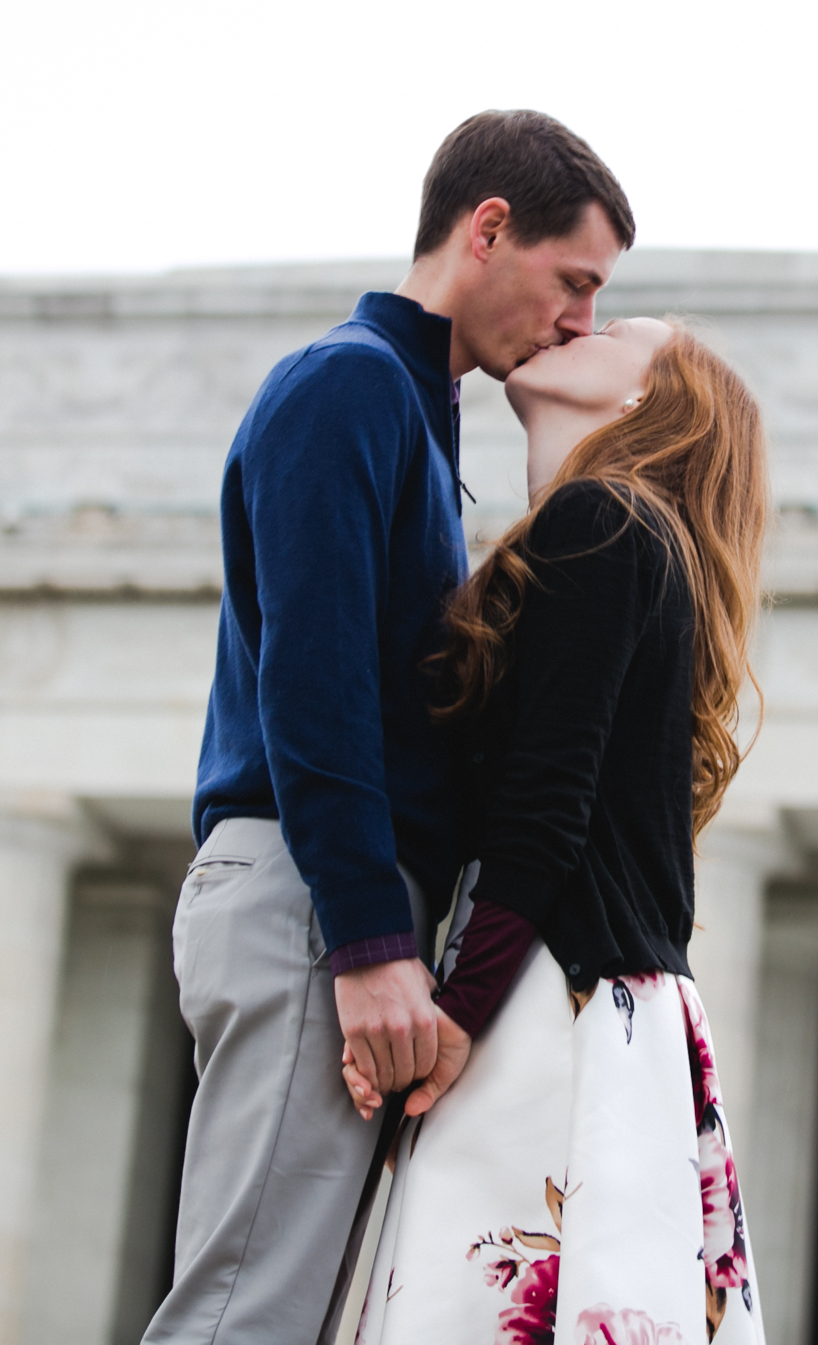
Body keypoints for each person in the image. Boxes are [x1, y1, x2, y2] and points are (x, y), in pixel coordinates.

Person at [145, 111, 635, 1345]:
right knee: (246, 1308)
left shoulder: (416, 413)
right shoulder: (349, 384)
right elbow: (311, 687)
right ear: (486, 231)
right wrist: (369, 944)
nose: (579, 318)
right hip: (309, 900)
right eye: (572, 280)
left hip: (332, 901)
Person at [343, 315, 774, 1345]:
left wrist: (455, 1014)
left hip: (550, 993)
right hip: (622, 1012)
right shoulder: (634, 536)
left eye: (617, 327)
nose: (577, 323)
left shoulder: (601, 518)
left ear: (648, 400)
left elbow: (548, 802)